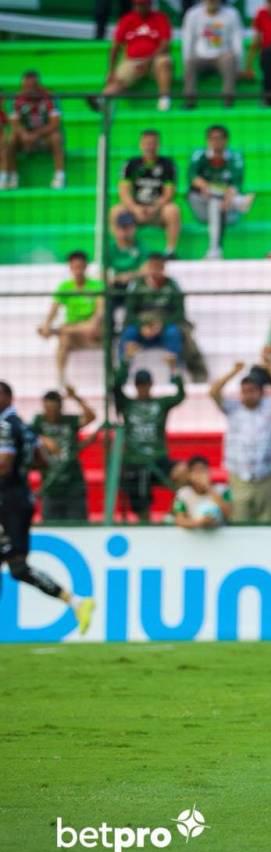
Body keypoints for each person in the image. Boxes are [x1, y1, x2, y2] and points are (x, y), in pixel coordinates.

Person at [0, 382, 95, 634]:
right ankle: (76, 603)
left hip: (9, 502)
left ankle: (76, 602)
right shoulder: (25, 427)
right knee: (17, 567)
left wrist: (14, 471)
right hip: (20, 499)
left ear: (7, 397)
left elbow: (4, 465)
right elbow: (42, 461)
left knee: (18, 566)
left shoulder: (6, 426)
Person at [210, 359, 271, 523]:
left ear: (261, 392)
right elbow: (214, 392)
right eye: (245, 391)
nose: (248, 394)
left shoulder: (270, 407)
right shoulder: (233, 408)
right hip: (239, 476)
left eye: (252, 390)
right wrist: (233, 372)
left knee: (267, 523)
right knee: (240, 522)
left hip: (266, 475)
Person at [113, 365, 186, 521]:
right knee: (141, 503)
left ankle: (172, 514)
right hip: (134, 461)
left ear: (151, 384)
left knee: (184, 472)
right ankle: (146, 524)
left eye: (145, 384)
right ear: (135, 386)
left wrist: (174, 370)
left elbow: (180, 396)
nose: (143, 388)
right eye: (139, 385)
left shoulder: (161, 403)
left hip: (159, 458)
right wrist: (126, 363)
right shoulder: (126, 404)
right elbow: (115, 387)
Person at [122, 253, 208, 381]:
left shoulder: (172, 285)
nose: (154, 270)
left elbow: (179, 313)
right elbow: (129, 313)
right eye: (152, 267)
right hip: (142, 326)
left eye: (158, 267)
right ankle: (121, 373)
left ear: (163, 268)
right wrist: (141, 327)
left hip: (165, 326)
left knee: (174, 333)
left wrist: (161, 325)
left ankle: (175, 375)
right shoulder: (137, 286)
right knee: (129, 333)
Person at [187, 124, 256, 260]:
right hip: (200, 202)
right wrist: (207, 187)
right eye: (212, 138)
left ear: (226, 140)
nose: (216, 142)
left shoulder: (235, 157)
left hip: (224, 205)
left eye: (219, 138)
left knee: (215, 203)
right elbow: (193, 177)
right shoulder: (199, 155)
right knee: (215, 199)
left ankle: (214, 251)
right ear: (207, 140)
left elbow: (236, 184)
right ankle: (239, 202)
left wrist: (227, 197)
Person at [30, 386, 96, 522]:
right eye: (48, 409)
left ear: (60, 408)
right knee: (51, 525)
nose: (51, 413)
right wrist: (43, 438)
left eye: (54, 409)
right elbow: (26, 434)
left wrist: (76, 398)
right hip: (50, 485)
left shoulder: (69, 421)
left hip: (74, 484)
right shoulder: (39, 422)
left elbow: (91, 417)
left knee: (78, 524)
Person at [112, 129, 181, 259]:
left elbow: (169, 193)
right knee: (116, 211)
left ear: (158, 145)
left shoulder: (167, 165)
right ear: (141, 144)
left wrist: (155, 208)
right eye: (147, 143)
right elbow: (124, 191)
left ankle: (170, 251)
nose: (150, 147)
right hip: (135, 211)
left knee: (173, 210)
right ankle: (122, 249)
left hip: (157, 211)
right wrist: (135, 208)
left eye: (153, 143)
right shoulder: (131, 164)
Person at [38, 250, 105, 384]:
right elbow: (54, 310)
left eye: (80, 267)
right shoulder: (65, 286)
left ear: (86, 266)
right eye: (75, 267)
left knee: (87, 328)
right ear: (70, 267)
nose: (78, 271)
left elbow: (100, 311)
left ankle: (57, 331)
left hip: (93, 329)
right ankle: (61, 378)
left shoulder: (97, 285)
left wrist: (94, 323)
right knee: (64, 339)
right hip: (75, 331)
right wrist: (46, 324)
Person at [98, 0, 173, 112]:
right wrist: (111, 70)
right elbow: (115, 47)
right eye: (136, 5)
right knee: (118, 78)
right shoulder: (127, 19)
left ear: (149, 4)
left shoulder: (160, 18)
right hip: (132, 61)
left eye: (142, 4)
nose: (139, 7)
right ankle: (101, 100)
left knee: (164, 62)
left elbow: (165, 44)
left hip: (154, 59)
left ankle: (164, 100)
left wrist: (148, 61)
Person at [0, 71, 65, 190]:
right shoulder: (16, 99)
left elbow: (55, 123)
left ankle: (59, 175)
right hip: (24, 138)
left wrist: (36, 134)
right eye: (26, 87)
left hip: (44, 137)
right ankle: (13, 176)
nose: (29, 90)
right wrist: (24, 134)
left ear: (38, 85)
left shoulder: (49, 97)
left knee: (56, 137)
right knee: (11, 138)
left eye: (32, 86)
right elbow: (14, 123)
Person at [181, 0, 243, 108]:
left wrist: (239, 67)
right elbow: (188, 40)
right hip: (200, 56)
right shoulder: (192, 14)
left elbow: (237, 41)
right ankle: (190, 101)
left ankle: (228, 102)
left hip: (222, 56)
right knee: (190, 61)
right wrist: (185, 63)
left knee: (230, 59)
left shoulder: (232, 14)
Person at [173, 456, 232, 530]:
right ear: (189, 475)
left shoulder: (222, 490)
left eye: (203, 470)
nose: (200, 475)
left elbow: (228, 514)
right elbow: (180, 520)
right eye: (196, 471)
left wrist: (209, 488)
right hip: (195, 534)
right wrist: (200, 522)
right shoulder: (182, 493)